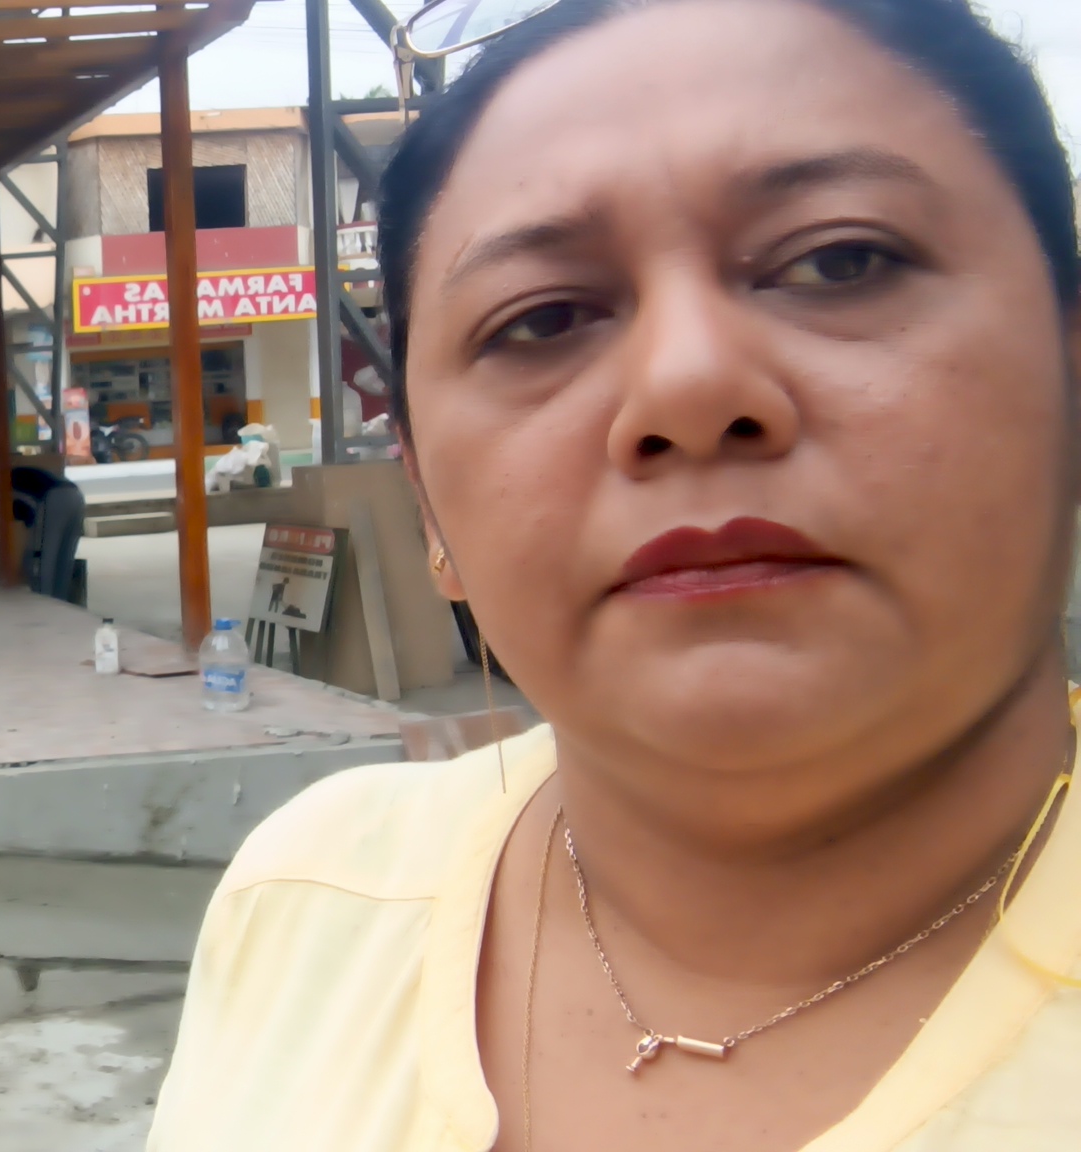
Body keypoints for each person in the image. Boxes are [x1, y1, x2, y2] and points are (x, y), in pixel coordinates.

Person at [147, 1, 1081, 1149]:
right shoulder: (309, 903)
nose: (685, 386)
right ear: (428, 502)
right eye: (541, 321)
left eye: (838, 260)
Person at [0, 463, 83, 601]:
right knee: (62, 562)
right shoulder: (10, 493)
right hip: (75, 495)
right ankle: (59, 604)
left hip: (53, 497)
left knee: (38, 562)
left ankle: (42, 604)